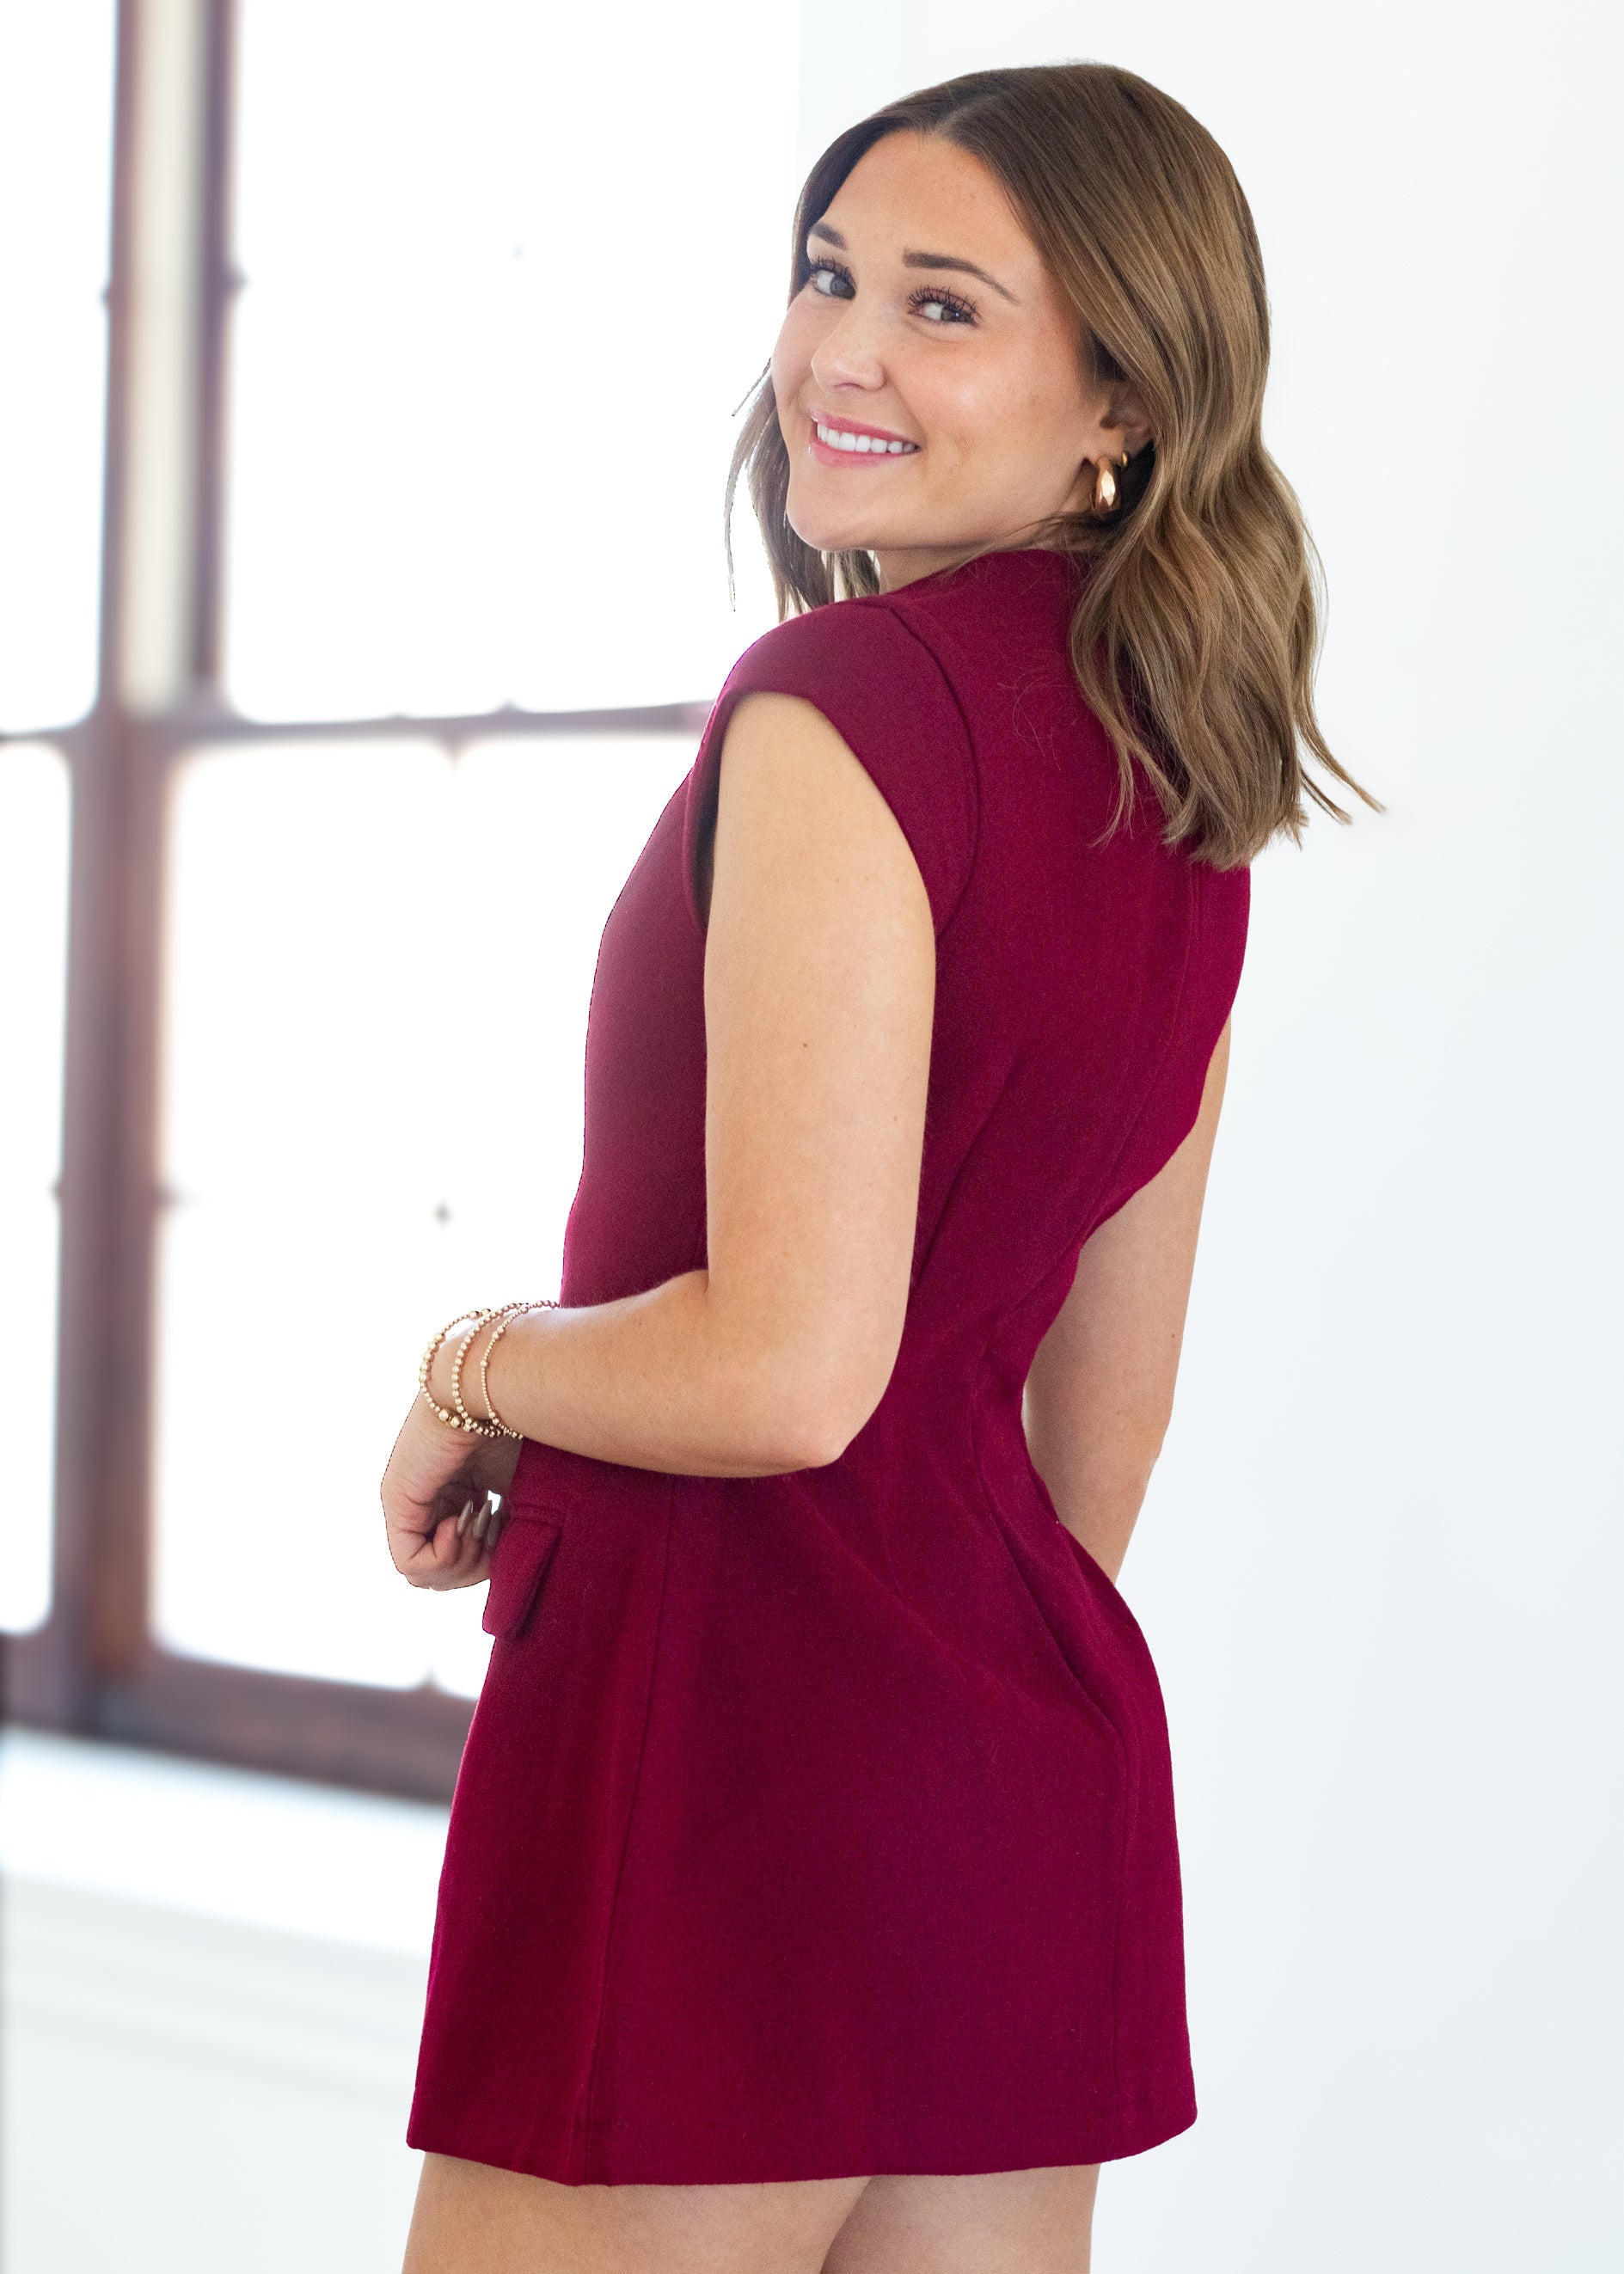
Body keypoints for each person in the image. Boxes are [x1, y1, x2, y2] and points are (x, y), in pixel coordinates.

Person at [382, 59, 1375, 2274]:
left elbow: (782, 1375)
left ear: (1119, 394)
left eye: (945, 305)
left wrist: (474, 1368)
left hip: (725, 1760)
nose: (843, 350)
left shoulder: (847, 701)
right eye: (831, 276)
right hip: (1013, 1781)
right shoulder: (1188, 779)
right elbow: (1097, 1435)